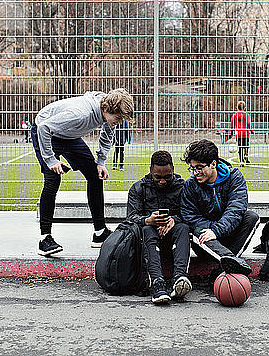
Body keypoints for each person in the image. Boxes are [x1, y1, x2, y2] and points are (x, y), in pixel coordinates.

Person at [31, 89, 134, 256]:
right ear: (106, 109)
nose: (120, 122)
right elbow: (44, 128)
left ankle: (100, 233)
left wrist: (100, 162)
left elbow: (107, 135)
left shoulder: (106, 109)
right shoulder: (80, 114)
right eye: (119, 118)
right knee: (52, 180)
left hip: (69, 136)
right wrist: (51, 160)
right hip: (46, 132)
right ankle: (45, 239)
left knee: (95, 176)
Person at [181, 139, 260, 278]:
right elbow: (189, 216)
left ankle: (223, 267)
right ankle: (232, 261)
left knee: (251, 217)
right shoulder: (190, 185)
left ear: (213, 164)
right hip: (206, 241)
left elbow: (236, 209)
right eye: (192, 168)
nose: (195, 173)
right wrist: (212, 230)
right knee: (194, 229)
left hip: (229, 235)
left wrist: (217, 230)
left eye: (199, 168)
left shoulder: (235, 177)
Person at [126, 150, 191, 304]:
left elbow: (191, 213)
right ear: (151, 172)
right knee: (147, 229)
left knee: (183, 228)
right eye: (158, 177)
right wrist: (148, 220)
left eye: (167, 177)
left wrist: (173, 220)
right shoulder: (139, 188)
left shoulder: (183, 187)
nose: (162, 181)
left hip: (174, 237)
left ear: (173, 171)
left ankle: (180, 279)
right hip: (148, 242)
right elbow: (131, 217)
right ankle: (157, 282)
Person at [230, 100, 253, 165]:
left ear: (237, 107)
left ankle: (241, 161)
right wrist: (251, 130)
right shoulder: (246, 115)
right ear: (244, 108)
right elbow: (249, 123)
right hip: (245, 133)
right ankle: (246, 156)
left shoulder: (235, 115)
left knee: (240, 147)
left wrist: (231, 133)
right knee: (246, 146)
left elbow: (232, 124)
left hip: (238, 133)